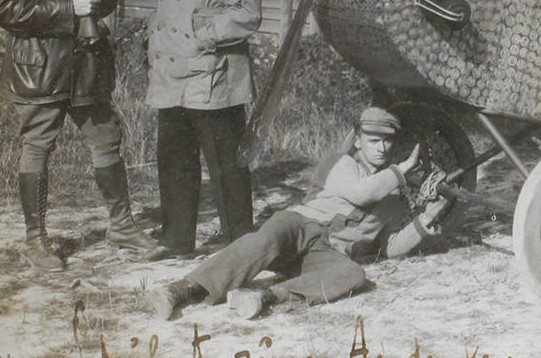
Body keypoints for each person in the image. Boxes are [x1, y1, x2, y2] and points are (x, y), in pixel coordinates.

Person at [0, 0, 163, 270]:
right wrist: (68, 8)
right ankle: (35, 240)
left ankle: (121, 225)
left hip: (86, 60)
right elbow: (5, 8)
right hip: (41, 66)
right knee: (38, 147)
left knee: (106, 138)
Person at [146, 106, 458, 320]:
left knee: (352, 274)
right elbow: (362, 193)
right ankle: (184, 289)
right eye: (373, 140)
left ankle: (267, 297)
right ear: (359, 141)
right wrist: (402, 170)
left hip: (326, 251)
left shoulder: (392, 194)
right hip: (299, 226)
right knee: (262, 241)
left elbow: (389, 249)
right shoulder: (343, 163)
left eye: (387, 142)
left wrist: (427, 217)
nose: (381, 148)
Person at [146, 0, 263, 256]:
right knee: (174, 160)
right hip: (173, 77)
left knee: (226, 168)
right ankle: (177, 240)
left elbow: (246, 14)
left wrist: (202, 37)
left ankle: (239, 246)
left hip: (213, 78)